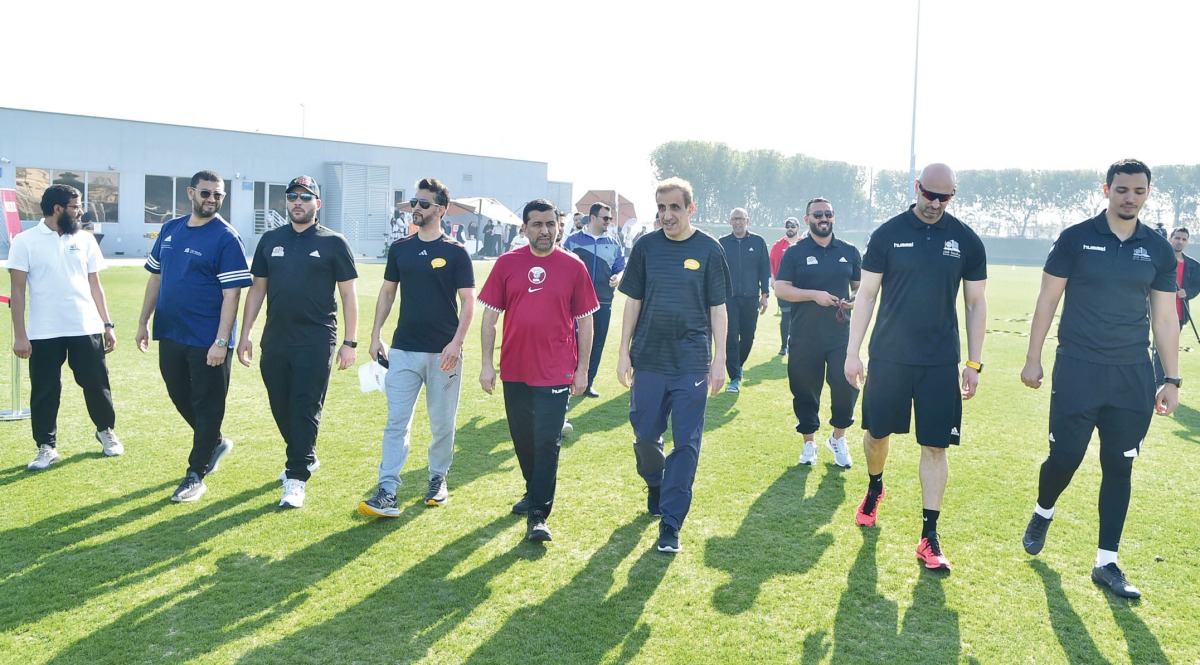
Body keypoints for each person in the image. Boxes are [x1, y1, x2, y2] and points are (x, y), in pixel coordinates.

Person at [1019, 159, 1180, 599]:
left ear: (1148, 193)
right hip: (1078, 369)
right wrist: (1033, 359)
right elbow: (1047, 301)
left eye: (1139, 191)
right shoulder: (1075, 239)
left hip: (1132, 375)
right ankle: (1043, 510)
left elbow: (1165, 319)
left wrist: (1172, 378)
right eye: (1122, 189)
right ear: (1106, 189)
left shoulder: (1159, 249)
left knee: (1119, 465)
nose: (1130, 197)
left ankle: (1106, 562)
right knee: (1065, 458)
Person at [844, 163, 987, 572]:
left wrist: (973, 362)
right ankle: (875, 487)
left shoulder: (965, 241)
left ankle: (929, 536)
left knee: (936, 446)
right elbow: (867, 294)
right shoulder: (888, 234)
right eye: (929, 195)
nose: (936, 204)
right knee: (876, 435)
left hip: (940, 361)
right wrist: (853, 352)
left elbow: (976, 304)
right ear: (917, 188)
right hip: (888, 356)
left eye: (945, 197)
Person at [617, 177, 730, 554]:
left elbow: (718, 308)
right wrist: (622, 351)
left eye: (674, 208)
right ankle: (654, 479)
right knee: (646, 435)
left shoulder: (710, 250)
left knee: (687, 443)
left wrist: (720, 360)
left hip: (692, 363)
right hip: (648, 359)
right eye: (661, 208)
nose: (667, 215)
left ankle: (671, 522)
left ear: (690, 209)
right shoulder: (645, 247)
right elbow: (632, 302)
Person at [478, 199, 598, 542]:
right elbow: (489, 317)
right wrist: (487, 364)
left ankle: (538, 514)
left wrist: (582, 371)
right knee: (523, 439)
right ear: (524, 229)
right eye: (537, 225)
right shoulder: (506, 264)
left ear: (559, 226)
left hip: (556, 370)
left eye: (550, 224)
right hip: (514, 368)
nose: (544, 231)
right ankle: (534, 490)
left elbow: (586, 323)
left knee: (547, 441)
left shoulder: (574, 267)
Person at [236, 176, 358, 509]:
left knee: (305, 405)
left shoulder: (334, 243)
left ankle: (297, 475)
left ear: (318, 203)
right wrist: (245, 333)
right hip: (275, 337)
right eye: (292, 197)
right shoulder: (270, 239)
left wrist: (351, 342)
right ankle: (303, 454)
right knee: (281, 404)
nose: (298, 202)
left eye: (306, 197)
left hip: (317, 338)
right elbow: (257, 289)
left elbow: (348, 294)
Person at [359, 178, 476, 517]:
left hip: (444, 354)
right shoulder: (400, 249)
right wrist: (375, 334)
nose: (417, 208)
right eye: (414, 202)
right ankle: (387, 490)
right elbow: (386, 293)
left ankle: (438, 478)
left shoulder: (456, 252)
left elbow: (468, 301)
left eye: (424, 204)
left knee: (442, 423)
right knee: (397, 422)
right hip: (403, 350)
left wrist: (457, 342)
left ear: (441, 209)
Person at [136, 170, 252, 503]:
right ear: (191, 193)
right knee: (179, 395)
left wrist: (220, 341)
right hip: (170, 332)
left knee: (208, 403)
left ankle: (195, 474)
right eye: (206, 193)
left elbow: (233, 295)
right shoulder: (170, 229)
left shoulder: (226, 237)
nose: (212, 199)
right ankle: (214, 442)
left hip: (207, 339)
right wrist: (144, 321)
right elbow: (155, 279)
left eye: (218, 195)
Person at [8, 184, 123, 471]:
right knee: (45, 390)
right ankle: (46, 447)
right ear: (57, 209)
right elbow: (18, 291)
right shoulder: (25, 241)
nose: (80, 211)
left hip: (85, 326)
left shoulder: (85, 240)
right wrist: (20, 335)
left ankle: (105, 431)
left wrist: (107, 324)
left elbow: (95, 285)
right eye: (75, 206)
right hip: (43, 332)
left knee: (97, 384)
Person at [775, 198, 861, 468]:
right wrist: (814, 296)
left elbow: (862, 289)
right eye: (818, 214)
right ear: (807, 218)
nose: (823, 218)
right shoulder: (795, 252)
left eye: (828, 214)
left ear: (833, 217)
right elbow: (781, 288)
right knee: (805, 390)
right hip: (804, 335)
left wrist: (854, 299)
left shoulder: (849, 250)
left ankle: (838, 438)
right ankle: (809, 443)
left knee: (846, 387)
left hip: (841, 336)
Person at [564, 202, 626, 398]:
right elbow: (561, 265)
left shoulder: (614, 243)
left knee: (597, 342)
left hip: (603, 301)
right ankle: (567, 381)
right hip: (575, 303)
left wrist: (619, 277)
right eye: (605, 218)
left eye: (610, 218)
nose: (609, 221)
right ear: (592, 218)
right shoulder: (573, 241)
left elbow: (620, 267)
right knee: (572, 341)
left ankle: (588, 383)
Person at [718, 207, 771, 393]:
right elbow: (717, 272)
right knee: (730, 337)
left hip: (751, 298)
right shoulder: (722, 243)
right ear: (730, 221)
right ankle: (734, 377)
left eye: (741, 218)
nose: (738, 222)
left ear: (747, 220)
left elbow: (765, 270)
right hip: (728, 298)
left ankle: (737, 365)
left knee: (748, 337)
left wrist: (765, 295)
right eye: (734, 219)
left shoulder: (758, 242)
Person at [770, 217, 803, 355]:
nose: (790, 228)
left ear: (798, 228)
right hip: (783, 287)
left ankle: (798, 345)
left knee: (801, 317)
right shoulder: (778, 245)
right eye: (788, 226)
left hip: (802, 288)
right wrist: (773, 280)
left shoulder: (805, 244)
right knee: (786, 315)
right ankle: (784, 346)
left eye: (793, 226)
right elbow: (771, 264)